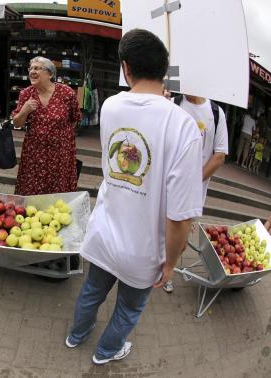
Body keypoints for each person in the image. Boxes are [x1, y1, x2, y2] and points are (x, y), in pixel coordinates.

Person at [65, 29, 203, 365]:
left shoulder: (111, 105)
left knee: (92, 291)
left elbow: (142, 114)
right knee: (129, 308)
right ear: (164, 70)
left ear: (126, 68)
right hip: (142, 250)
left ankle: (76, 336)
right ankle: (106, 351)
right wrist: (170, 262)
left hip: (103, 234)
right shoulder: (183, 126)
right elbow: (180, 215)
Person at [162, 94, 228, 293]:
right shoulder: (172, 102)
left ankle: (168, 268)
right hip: (164, 181)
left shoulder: (216, 113)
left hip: (193, 188)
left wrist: (190, 182)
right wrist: (161, 102)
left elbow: (219, 156)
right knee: (158, 227)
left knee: (180, 234)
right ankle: (153, 265)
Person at [12, 56, 81, 195]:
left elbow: (75, 119)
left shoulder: (66, 93)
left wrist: (61, 138)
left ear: (50, 74)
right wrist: (24, 110)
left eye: (37, 68)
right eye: (30, 68)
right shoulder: (26, 94)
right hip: (34, 154)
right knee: (32, 190)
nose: (32, 71)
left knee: (58, 192)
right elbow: (17, 123)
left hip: (60, 154)